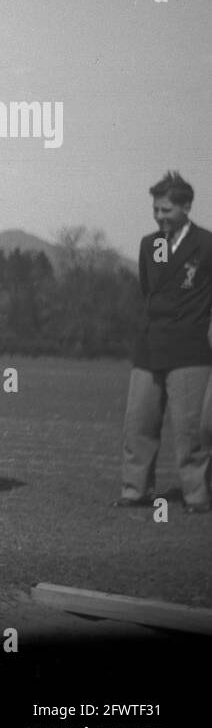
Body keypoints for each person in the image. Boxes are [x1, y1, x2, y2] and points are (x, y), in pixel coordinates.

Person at [113, 171, 212, 514]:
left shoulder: (207, 245)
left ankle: (197, 495)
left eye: (166, 210)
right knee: (138, 424)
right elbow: (151, 291)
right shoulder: (150, 244)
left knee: (190, 431)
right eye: (156, 209)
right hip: (150, 347)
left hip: (190, 350)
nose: (159, 216)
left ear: (186, 206)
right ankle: (134, 490)